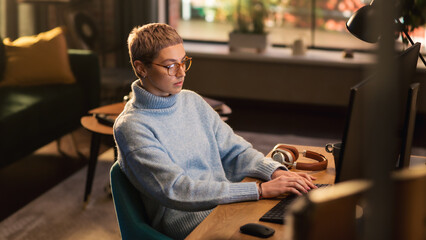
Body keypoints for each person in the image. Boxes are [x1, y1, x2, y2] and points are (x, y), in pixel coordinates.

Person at [113, 23, 317, 239]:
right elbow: (177, 189)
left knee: (309, 219)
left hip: (225, 203)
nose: (181, 72)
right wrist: (259, 190)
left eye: (183, 62)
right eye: (170, 66)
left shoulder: (192, 101)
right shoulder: (132, 127)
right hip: (187, 222)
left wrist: (275, 172)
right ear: (141, 68)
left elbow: (236, 151)